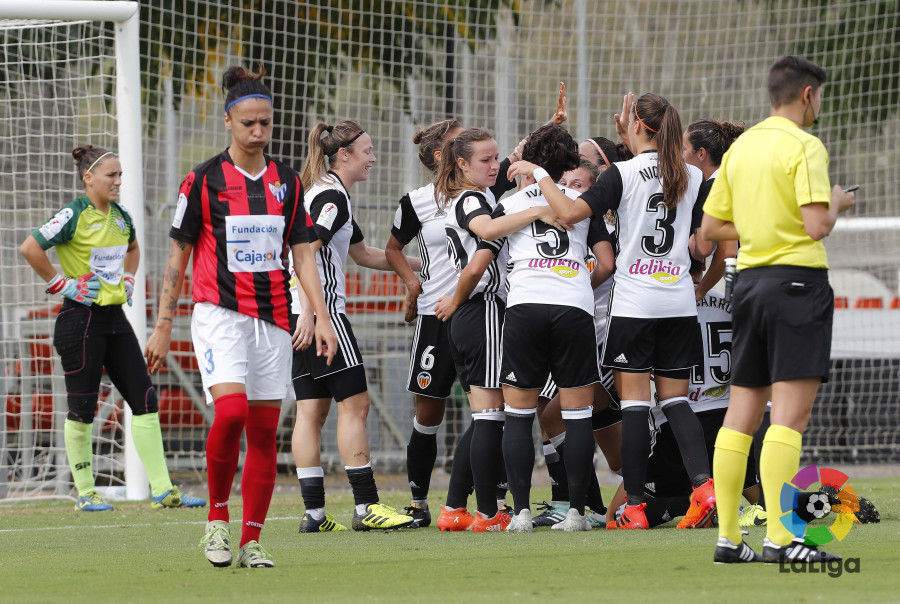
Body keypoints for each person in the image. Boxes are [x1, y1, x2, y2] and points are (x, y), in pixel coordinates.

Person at [145, 66, 337, 568]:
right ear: (228, 121)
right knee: (228, 413)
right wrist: (163, 324)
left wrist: (320, 316)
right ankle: (216, 522)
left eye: (266, 124)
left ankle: (251, 540)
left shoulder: (287, 181)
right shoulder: (203, 179)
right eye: (248, 123)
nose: (258, 132)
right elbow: (177, 256)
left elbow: (303, 255)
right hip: (219, 315)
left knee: (262, 431)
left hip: (274, 319)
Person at [509, 92, 716, 531]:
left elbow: (566, 212)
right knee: (677, 401)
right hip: (679, 299)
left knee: (637, 405)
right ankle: (706, 488)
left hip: (635, 302)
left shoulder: (621, 174)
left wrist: (540, 172)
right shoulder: (694, 175)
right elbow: (704, 245)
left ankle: (635, 507)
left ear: (636, 125)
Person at [701, 55, 856, 564]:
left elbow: (710, 231)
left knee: (740, 416)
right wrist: (836, 203)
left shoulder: (742, 148)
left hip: (748, 286)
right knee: (789, 418)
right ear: (808, 95)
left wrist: (760, 224)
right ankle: (784, 541)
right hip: (796, 285)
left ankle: (728, 539)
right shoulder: (804, 146)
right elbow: (816, 226)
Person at [20, 146, 206, 514]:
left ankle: (164, 490)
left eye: (121, 175)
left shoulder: (120, 216)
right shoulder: (73, 214)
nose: (118, 181)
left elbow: (133, 250)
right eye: (111, 175)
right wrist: (62, 285)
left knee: (144, 398)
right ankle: (86, 493)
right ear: (88, 178)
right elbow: (30, 247)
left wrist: (130, 278)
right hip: (80, 320)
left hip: (115, 321)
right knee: (82, 408)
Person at [292, 119, 420, 534]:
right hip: (322, 316)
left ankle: (314, 515)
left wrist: (421, 266)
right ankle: (367, 507)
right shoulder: (331, 197)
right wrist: (317, 315)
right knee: (356, 406)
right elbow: (305, 251)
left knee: (310, 412)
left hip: (301, 317)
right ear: (343, 156)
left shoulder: (324, 193)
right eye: (367, 152)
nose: (374, 158)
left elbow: (363, 253)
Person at [489, 125, 615, 532]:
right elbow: (606, 262)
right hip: (573, 309)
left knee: (518, 414)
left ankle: (521, 513)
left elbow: (487, 247)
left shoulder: (510, 203)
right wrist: (577, 281)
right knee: (578, 416)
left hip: (524, 307)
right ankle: (577, 513)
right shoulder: (582, 203)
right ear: (568, 163)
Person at [682, 119, 744, 299]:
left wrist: (702, 289)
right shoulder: (737, 179)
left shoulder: (716, 187)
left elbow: (728, 250)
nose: (682, 156)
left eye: (685, 149)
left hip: (751, 280)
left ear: (701, 154)